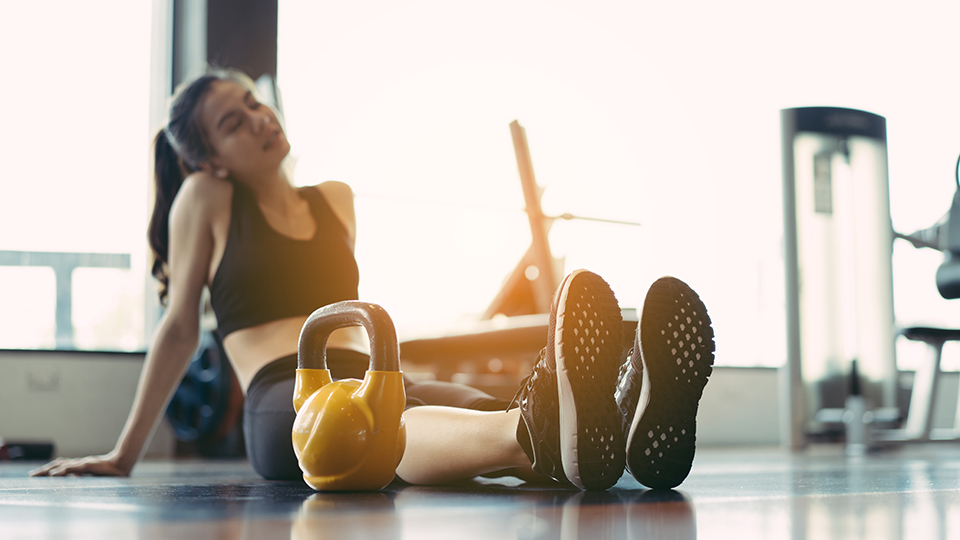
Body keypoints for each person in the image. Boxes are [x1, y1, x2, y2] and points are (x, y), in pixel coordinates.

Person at [30, 70, 715, 491]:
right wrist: (123, 455)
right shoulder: (207, 201)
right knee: (387, 430)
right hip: (288, 394)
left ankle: (622, 434)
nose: (258, 120)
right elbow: (179, 330)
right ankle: (542, 434)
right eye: (232, 124)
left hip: (382, 373)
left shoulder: (337, 200)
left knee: (480, 409)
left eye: (252, 104)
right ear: (211, 159)